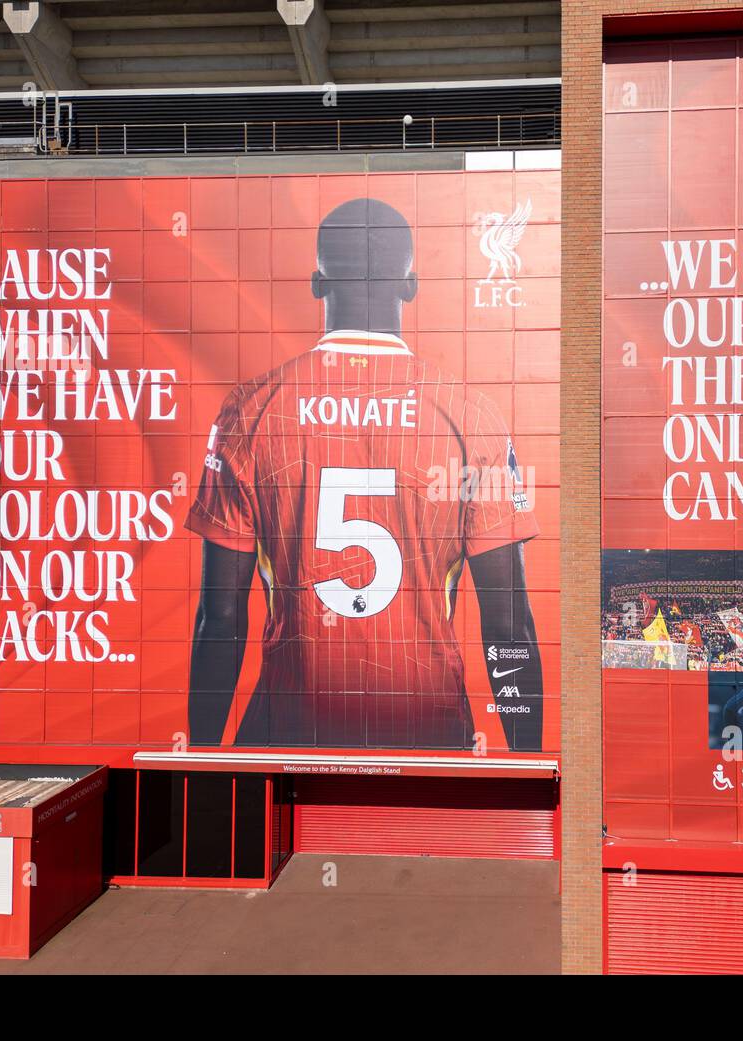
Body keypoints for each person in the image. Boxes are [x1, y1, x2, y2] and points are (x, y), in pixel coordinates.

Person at [186, 198, 542, 750]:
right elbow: (508, 626)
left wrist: (202, 757)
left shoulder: (250, 410)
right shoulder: (473, 417)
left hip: (289, 734)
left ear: (317, 284)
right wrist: (528, 762)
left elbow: (221, 617)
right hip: (429, 734)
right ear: (411, 285)